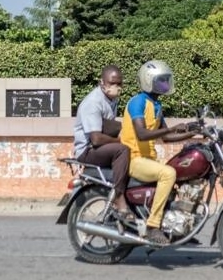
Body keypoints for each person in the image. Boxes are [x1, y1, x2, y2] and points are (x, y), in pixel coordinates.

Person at [119, 60, 198, 245]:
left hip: (148, 159)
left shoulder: (156, 105)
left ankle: (175, 227)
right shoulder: (137, 102)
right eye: (161, 80)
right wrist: (173, 129)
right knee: (168, 173)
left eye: (166, 80)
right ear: (148, 81)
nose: (165, 84)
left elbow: (167, 137)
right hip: (133, 158)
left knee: (178, 173)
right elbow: (142, 133)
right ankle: (153, 227)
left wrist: (192, 132)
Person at [71, 65, 134, 221]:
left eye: (119, 84)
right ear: (102, 83)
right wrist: (121, 140)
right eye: (112, 83)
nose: (116, 87)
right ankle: (119, 198)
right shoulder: (93, 102)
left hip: (100, 148)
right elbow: (96, 139)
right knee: (122, 150)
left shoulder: (111, 100)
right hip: (88, 151)